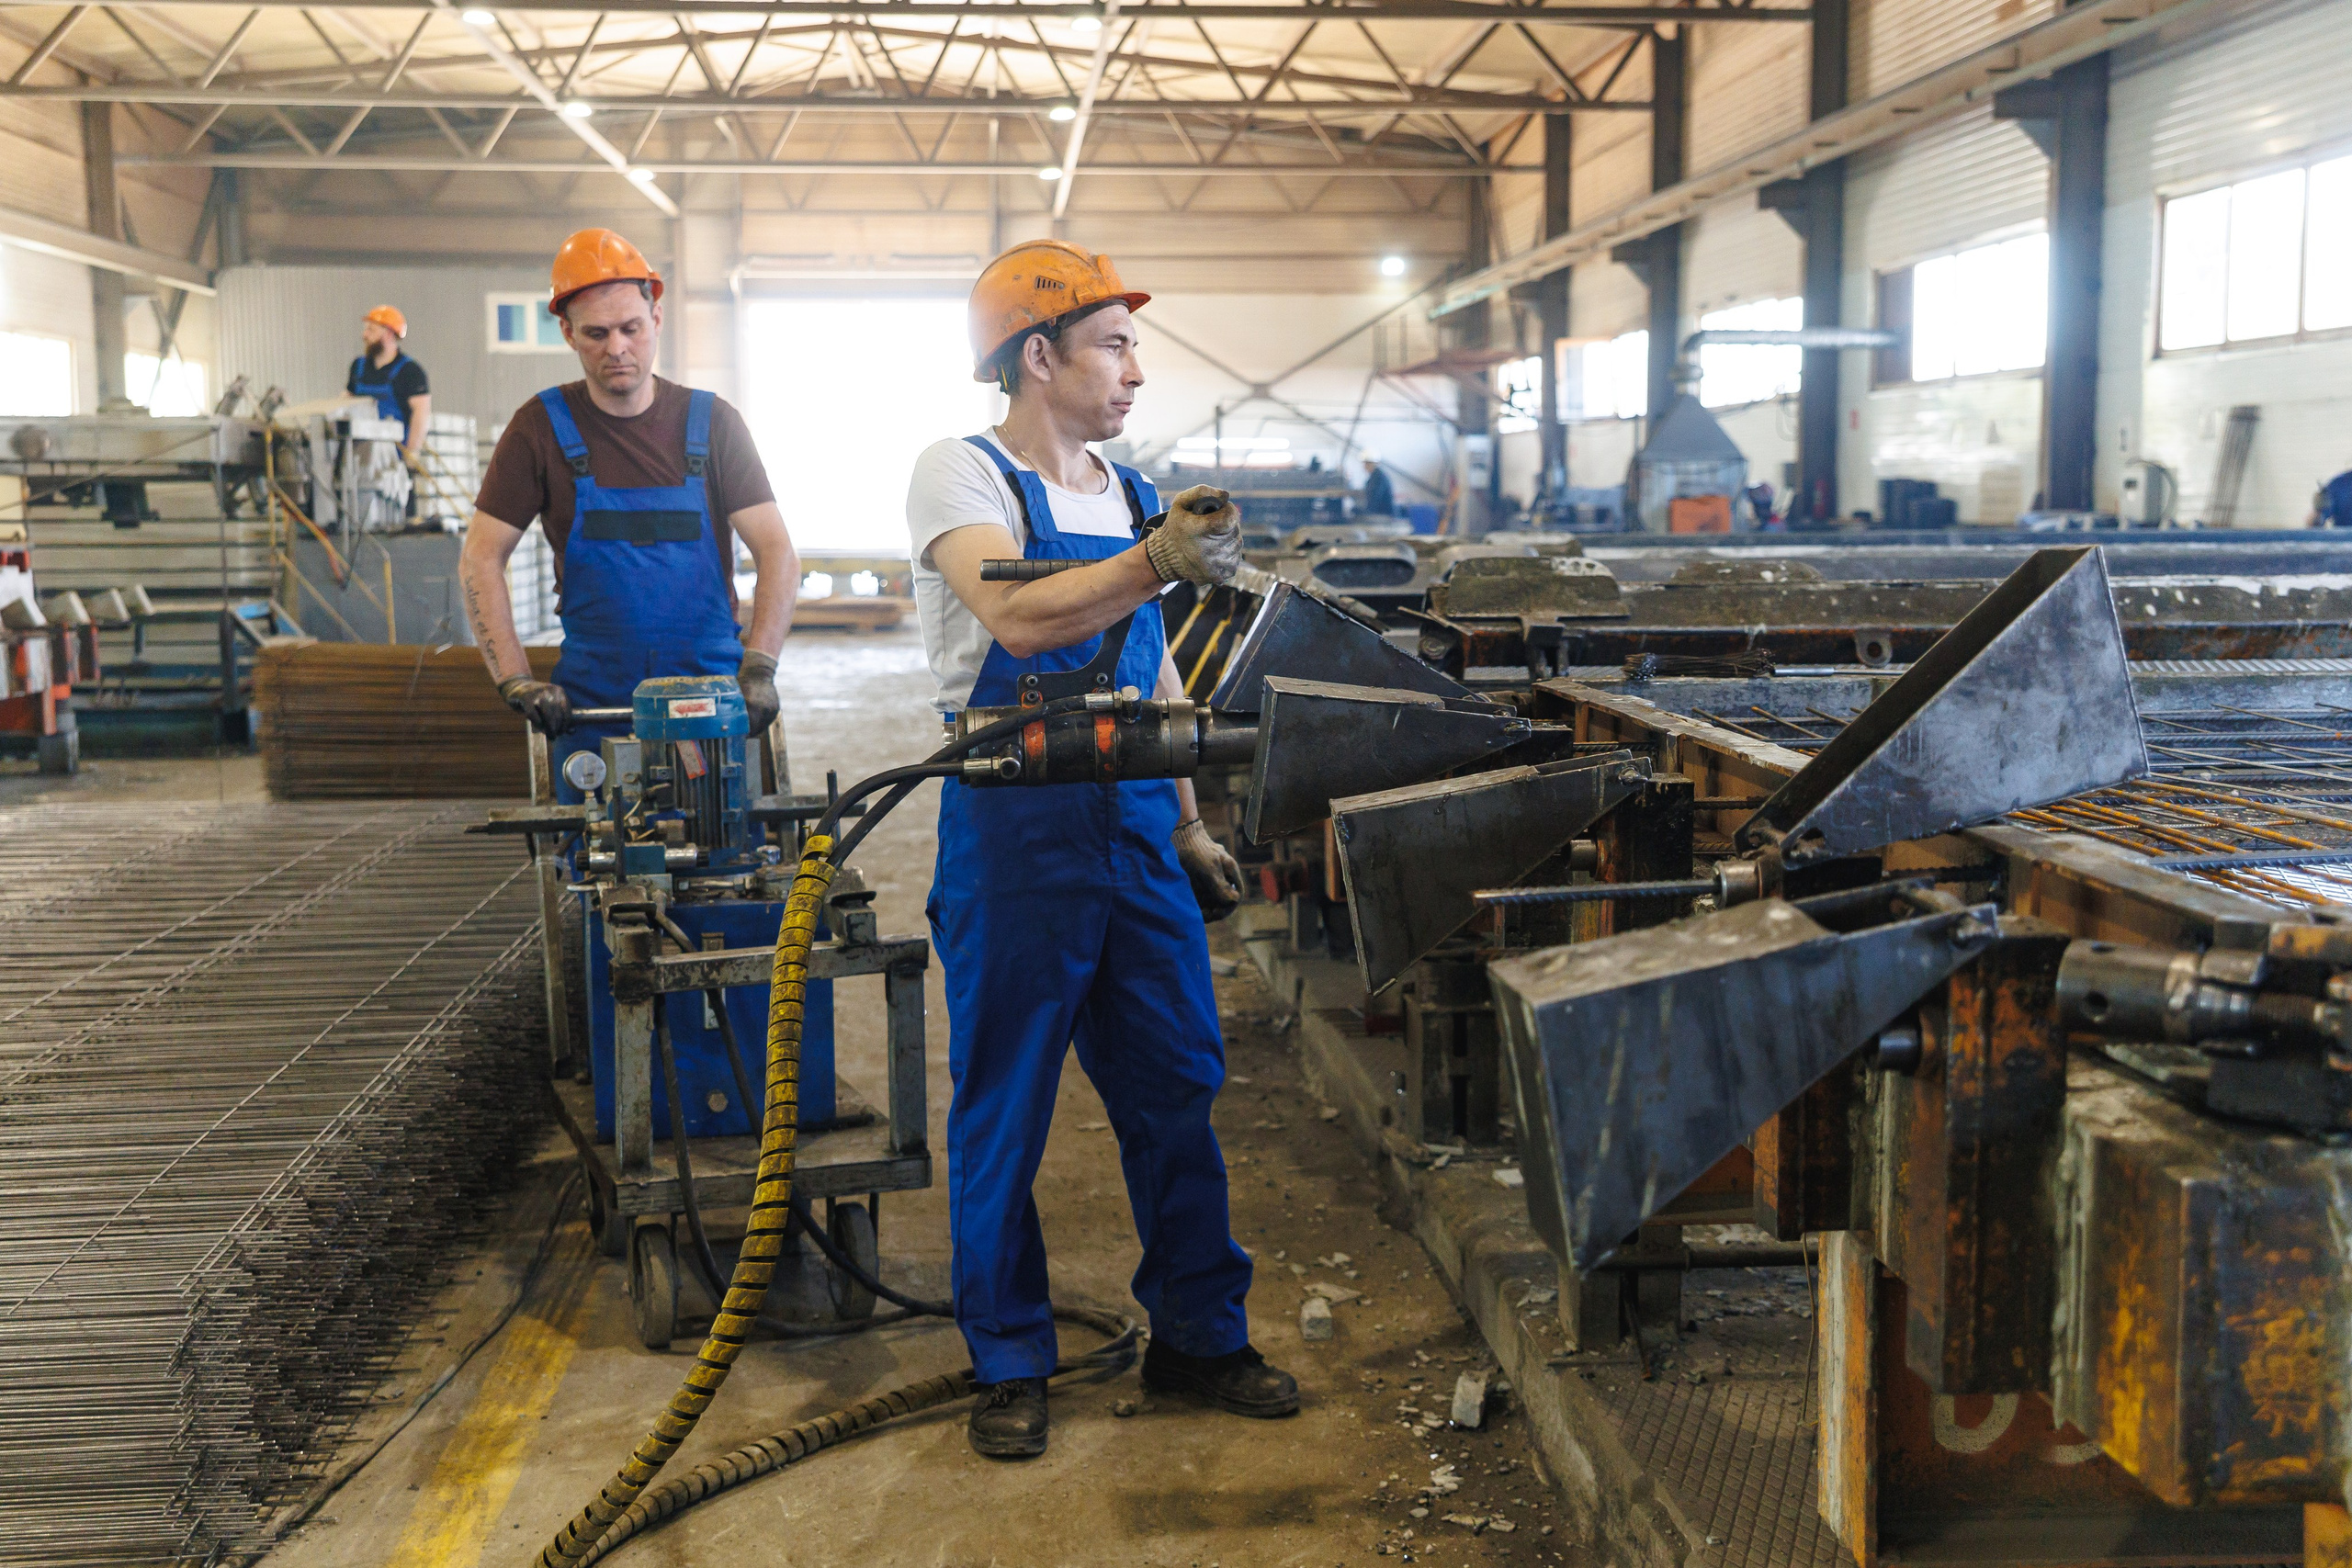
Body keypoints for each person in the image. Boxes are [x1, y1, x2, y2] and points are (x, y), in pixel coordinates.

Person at [905, 239, 1297, 1460]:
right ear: (1040, 355)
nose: (1135, 367)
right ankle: (1009, 1353)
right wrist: (1160, 561)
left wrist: (1187, 821)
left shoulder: (1132, 495)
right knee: (1008, 1104)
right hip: (1015, 830)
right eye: (1115, 343)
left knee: (1177, 1083)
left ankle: (1199, 1331)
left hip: (1132, 826)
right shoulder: (960, 475)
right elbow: (1019, 615)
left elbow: (1153, 660)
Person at [457, 228, 798, 780]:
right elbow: (480, 556)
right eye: (596, 333)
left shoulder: (713, 425)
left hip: (711, 696)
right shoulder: (539, 428)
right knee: (594, 854)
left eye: (630, 328)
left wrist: (758, 668)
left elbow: (777, 552)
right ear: (567, 333)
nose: (616, 348)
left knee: (731, 851)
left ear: (656, 319)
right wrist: (516, 679)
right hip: (593, 705)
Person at [348, 305, 430, 465]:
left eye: (370, 330)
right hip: (358, 459)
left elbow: (421, 413)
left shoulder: (410, 371)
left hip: (395, 460)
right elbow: (346, 401)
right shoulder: (358, 367)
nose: (364, 335)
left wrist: (412, 453)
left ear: (388, 333)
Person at [1360, 453, 1396, 519]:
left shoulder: (1379, 477)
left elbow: (1375, 497)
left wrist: (1367, 512)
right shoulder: (1374, 476)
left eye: (1366, 464)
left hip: (1384, 515)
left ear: (1372, 464)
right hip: (1379, 513)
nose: (1364, 466)